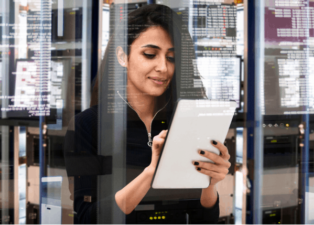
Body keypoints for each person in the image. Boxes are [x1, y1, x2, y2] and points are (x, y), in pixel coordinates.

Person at [64, 4, 231, 225]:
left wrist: (210, 183)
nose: (163, 67)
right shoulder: (87, 125)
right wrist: (151, 173)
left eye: (171, 57)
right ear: (123, 56)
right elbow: (87, 218)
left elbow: (204, 219)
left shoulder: (187, 121)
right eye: (150, 54)